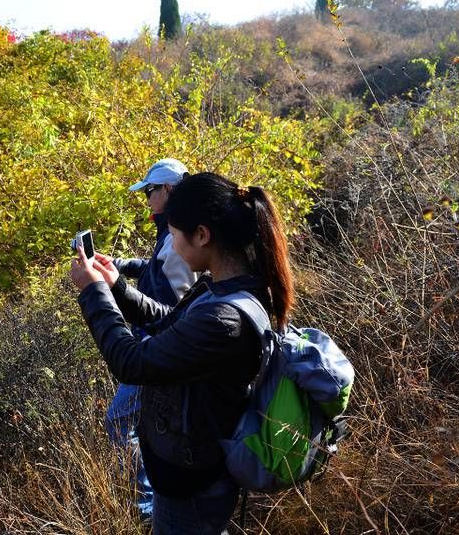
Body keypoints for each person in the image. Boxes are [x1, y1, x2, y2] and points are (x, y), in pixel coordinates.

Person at [70, 172, 295, 534]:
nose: (172, 246)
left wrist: (93, 293)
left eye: (175, 236)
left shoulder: (225, 318)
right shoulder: (225, 287)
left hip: (192, 484)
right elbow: (172, 322)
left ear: (202, 235)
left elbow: (131, 362)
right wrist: (116, 287)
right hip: (194, 470)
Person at [106, 158, 197, 519]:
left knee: (120, 422)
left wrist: (111, 287)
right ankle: (155, 506)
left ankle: (146, 512)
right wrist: (122, 264)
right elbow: (158, 266)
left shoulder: (177, 238)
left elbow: (171, 299)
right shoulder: (175, 232)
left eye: (150, 190)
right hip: (160, 342)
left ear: (169, 191)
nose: (146, 197)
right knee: (148, 425)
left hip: (160, 346)